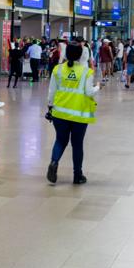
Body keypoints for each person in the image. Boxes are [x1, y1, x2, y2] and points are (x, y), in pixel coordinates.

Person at [46, 42, 99, 185]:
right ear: (81, 55)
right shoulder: (86, 72)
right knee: (77, 144)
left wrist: (50, 107)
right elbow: (89, 92)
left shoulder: (57, 69)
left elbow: (51, 92)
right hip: (79, 115)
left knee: (60, 140)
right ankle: (77, 175)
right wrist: (98, 87)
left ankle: (54, 162)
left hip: (60, 113)